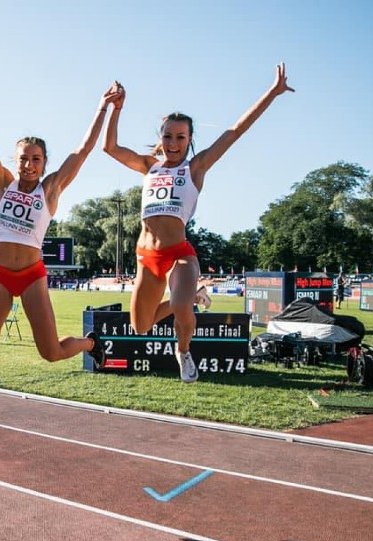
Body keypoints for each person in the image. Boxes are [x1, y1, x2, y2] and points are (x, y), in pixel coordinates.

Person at [103, 64, 294, 383]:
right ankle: (194, 295)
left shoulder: (195, 168)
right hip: (145, 257)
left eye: (180, 137)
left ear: (190, 139)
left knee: (179, 306)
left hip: (179, 252)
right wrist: (115, 108)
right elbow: (109, 147)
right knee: (141, 326)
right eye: (167, 136)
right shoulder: (148, 166)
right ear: (160, 138)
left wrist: (271, 93)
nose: (173, 143)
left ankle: (183, 351)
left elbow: (235, 131)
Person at [0, 82, 121, 366]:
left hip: (31, 276)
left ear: (44, 163)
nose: (29, 165)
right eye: (23, 159)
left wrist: (103, 107)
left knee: (50, 353)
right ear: (15, 161)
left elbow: (83, 151)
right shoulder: (4, 184)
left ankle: (91, 342)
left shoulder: (49, 190)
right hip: (1, 274)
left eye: (35, 159)